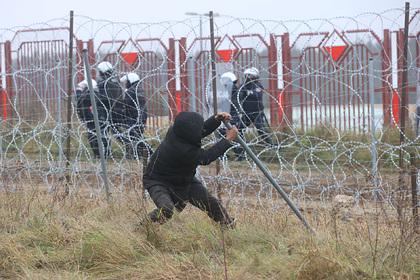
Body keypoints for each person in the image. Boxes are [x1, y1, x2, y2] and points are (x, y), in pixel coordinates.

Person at [142, 111, 238, 228]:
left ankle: (229, 227)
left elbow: (199, 131)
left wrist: (216, 120)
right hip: (158, 181)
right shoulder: (184, 150)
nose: (201, 129)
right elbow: (206, 158)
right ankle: (143, 227)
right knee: (167, 209)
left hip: (183, 180)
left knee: (212, 204)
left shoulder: (176, 131)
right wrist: (228, 140)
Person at [235, 67, 273, 160]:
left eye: (251, 76)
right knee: (238, 130)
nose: (249, 78)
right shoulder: (243, 87)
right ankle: (241, 151)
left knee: (261, 130)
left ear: (255, 77)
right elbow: (239, 97)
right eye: (247, 76)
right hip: (246, 114)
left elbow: (256, 95)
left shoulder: (258, 86)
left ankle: (272, 147)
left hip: (257, 113)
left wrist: (249, 92)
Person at [120, 72, 152, 159]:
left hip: (133, 117)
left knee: (135, 136)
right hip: (141, 116)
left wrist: (122, 114)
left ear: (131, 81)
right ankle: (141, 154)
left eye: (127, 82)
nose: (126, 84)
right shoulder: (139, 89)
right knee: (136, 136)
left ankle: (148, 153)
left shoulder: (130, 91)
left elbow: (126, 105)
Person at [96, 61, 124, 158]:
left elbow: (103, 98)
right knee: (118, 132)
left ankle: (105, 154)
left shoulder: (103, 83)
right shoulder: (116, 81)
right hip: (117, 110)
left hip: (105, 111)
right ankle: (133, 148)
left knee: (103, 132)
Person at [75, 79, 101, 158]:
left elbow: (80, 101)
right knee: (98, 135)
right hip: (96, 118)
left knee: (92, 136)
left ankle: (97, 154)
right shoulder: (96, 94)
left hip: (91, 118)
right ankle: (101, 154)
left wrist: (78, 90)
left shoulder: (89, 95)